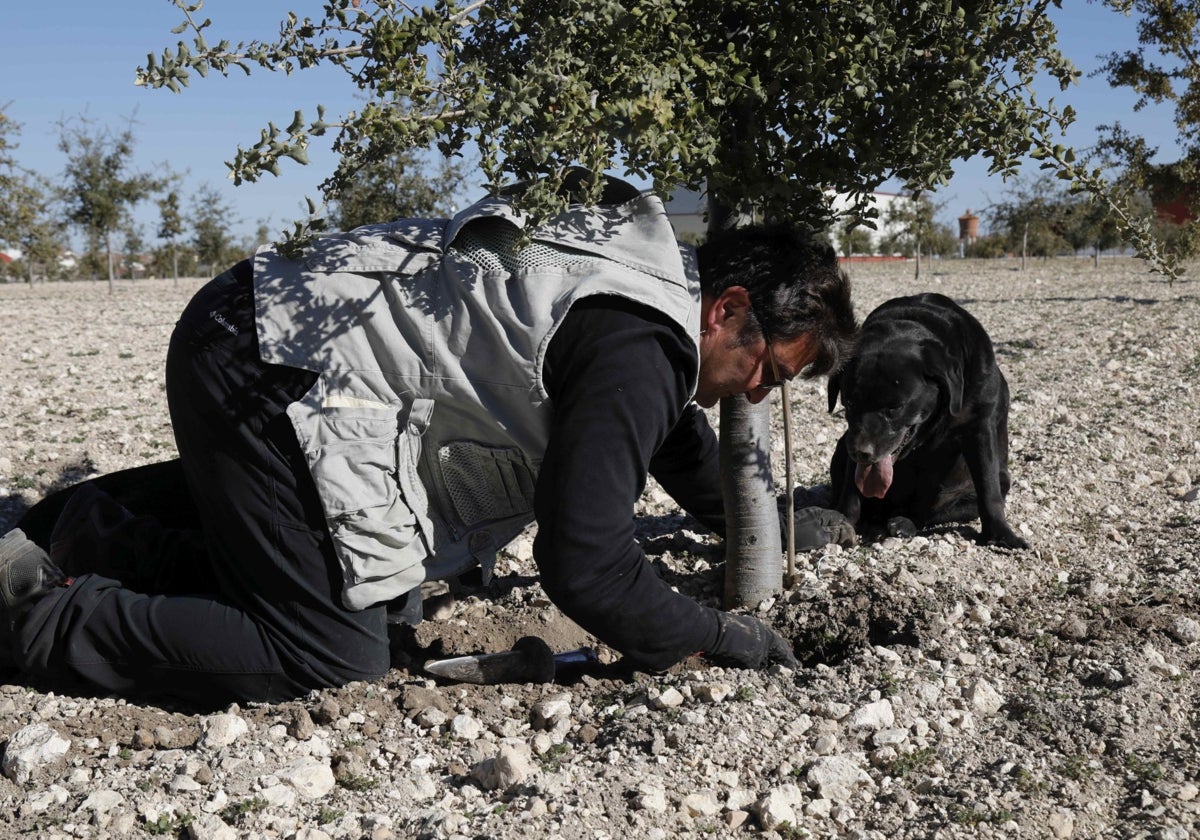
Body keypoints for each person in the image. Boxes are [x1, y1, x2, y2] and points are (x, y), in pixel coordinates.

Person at [0, 172, 857, 705]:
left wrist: (772, 526)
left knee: (365, 587)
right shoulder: (643, 349)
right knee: (325, 654)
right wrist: (710, 632)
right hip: (268, 363)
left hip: (259, 330)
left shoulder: (646, 297)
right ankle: (37, 619)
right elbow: (587, 566)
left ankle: (93, 530)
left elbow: (675, 451)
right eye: (767, 373)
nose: (754, 393)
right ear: (729, 309)